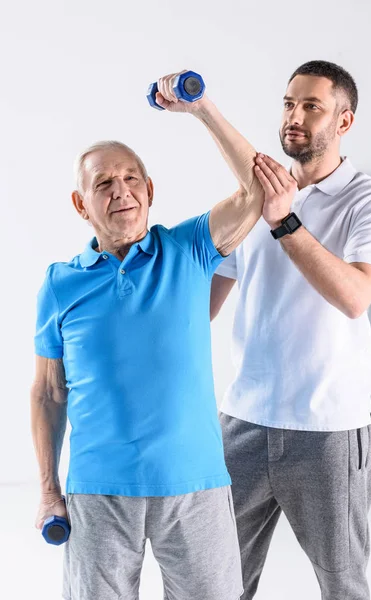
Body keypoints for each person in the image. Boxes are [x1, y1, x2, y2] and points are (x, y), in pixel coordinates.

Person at [31, 70, 266, 600]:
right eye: (104, 184)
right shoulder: (59, 283)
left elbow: (259, 189)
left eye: (132, 178)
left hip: (195, 483)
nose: (121, 192)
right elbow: (48, 393)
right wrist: (48, 490)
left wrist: (201, 109)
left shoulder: (189, 248)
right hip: (98, 490)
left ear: (151, 190)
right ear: (81, 204)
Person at [211, 60, 371, 600]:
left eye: (311, 106)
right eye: (290, 104)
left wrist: (284, 221)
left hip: (328, 430)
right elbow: (203, 307)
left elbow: (355, 296)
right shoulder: (256, 199)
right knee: (218, 579)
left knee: (342, 585)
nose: (295, 116)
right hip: (243, 421)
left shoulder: (370, 202)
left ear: (344, 121)